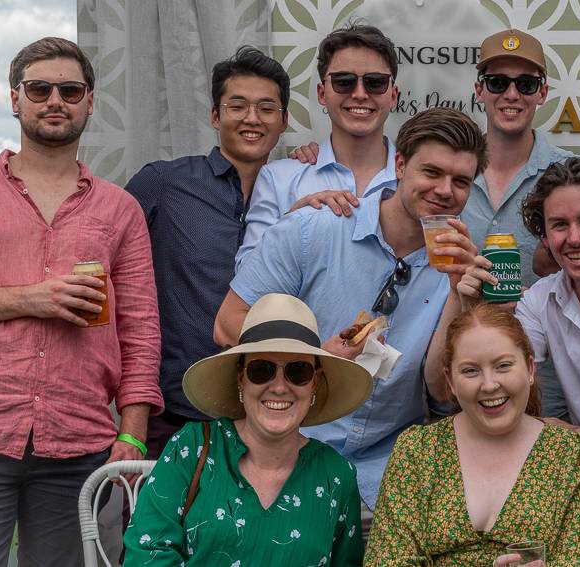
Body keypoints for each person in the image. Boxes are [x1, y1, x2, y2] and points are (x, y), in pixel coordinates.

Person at [288, 27, 579, 421]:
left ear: (542, 92)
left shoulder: (573, 177)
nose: (511, 94)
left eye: (526, 84)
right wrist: (309, 203)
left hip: (545, 373)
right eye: (497, 82)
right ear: (479, 89)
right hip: (452, 385)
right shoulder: (401, 205)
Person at [214, 107, 487, 516]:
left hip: (390, 475)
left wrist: (458, 297)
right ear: (399, 165)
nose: (445, 190)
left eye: (461, 181)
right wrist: (313, 358)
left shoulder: (459, 261)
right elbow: (226, 325)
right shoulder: (315, 226)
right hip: (288, 452)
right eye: (431, 172)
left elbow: (440, 392)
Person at [0, 37, 162, 567]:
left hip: (81, 441)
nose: (56, 100)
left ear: (90, 102)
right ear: (15, 99)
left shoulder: (120, 209)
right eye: (39, 88)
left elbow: (140, 331)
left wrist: (134, 437)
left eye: (70, 90)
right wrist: (34, 297)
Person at [125, 46, 290, 456]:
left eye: (266, 108)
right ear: (216, 116)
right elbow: (105, 252)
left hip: (272, 416)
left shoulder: (297, 193)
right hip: (175, 415)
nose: (252, 118)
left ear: (284, 122)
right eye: (238, 106)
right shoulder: (164, 183)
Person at [124, 293, 371, 566]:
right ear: (241, 379)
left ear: (314, 383)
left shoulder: (336, 476)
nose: (279, 386)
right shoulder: (191, 448)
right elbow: (147, 555)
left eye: (298, 372)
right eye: (261, 370)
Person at [440, 157, 580, 448]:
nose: (574, 238)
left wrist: (572, 434)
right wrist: (474, 311)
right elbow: (497, 379)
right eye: (559, 225)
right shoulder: (539, 300)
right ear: (544, 237)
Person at [367, 303, 580, 566]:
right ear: (451, 381)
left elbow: (577, 558)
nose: (489, 385)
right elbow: (388, 560)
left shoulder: (571, 455)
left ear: (530, 369)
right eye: (470, 371)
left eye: (503, 366)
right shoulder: (419, 450)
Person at [235, 23, 400, 266]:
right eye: (344, 81)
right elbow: (246, 274)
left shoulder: (420, 180)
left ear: (393, 95)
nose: (360, 94)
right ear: (322, 93)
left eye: (375, 82)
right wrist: (293, 222)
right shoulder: (278, 179)